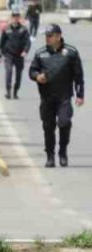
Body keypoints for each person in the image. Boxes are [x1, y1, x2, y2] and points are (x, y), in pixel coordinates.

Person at [29, 23, 84, 167]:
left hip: (64, 97)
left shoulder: (71, 52)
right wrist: (37, 76)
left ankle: (63, 151)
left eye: (50, 36)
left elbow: (78, 75)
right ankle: (50, 155)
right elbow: (32, 71)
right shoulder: (40, 53)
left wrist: (80, 94)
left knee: (64, 122)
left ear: (58, 36)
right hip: (47, 97)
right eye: (46, 36)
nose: (47, 39)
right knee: (48, 127)